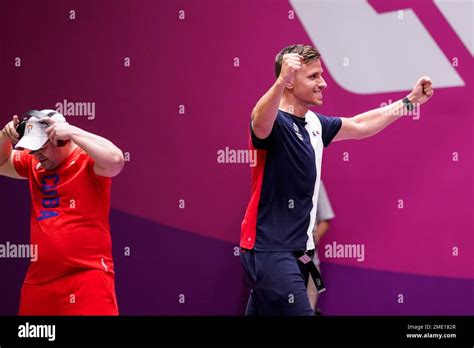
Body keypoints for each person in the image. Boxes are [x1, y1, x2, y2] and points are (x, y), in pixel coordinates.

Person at [240, 44, 434, 315]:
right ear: (290, 82)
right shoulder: (273, 124)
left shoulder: (315, 125)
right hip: (271, 251)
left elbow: (361, 125)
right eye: (313, 77)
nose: (323, 83)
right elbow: (259, 119)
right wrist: (280, 80)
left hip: (298, 252)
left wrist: (409, 101)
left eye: (321, 75)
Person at [0, 109, 125, 315]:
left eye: (41, 147)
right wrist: (4, 136)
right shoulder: (34, 162)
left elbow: (116, 160)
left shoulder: (87, 160)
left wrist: (73, 131)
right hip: (39, 281)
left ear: (61, 139)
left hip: (86, 276)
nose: (36, 154)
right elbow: (2, 162)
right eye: (32, 149)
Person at [307, 181, 335, 314]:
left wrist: (311, 241)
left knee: (307, 309)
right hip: (279, 263)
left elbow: (326, 218)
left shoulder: (315, 182)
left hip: (308, 261)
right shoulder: (276, 181)